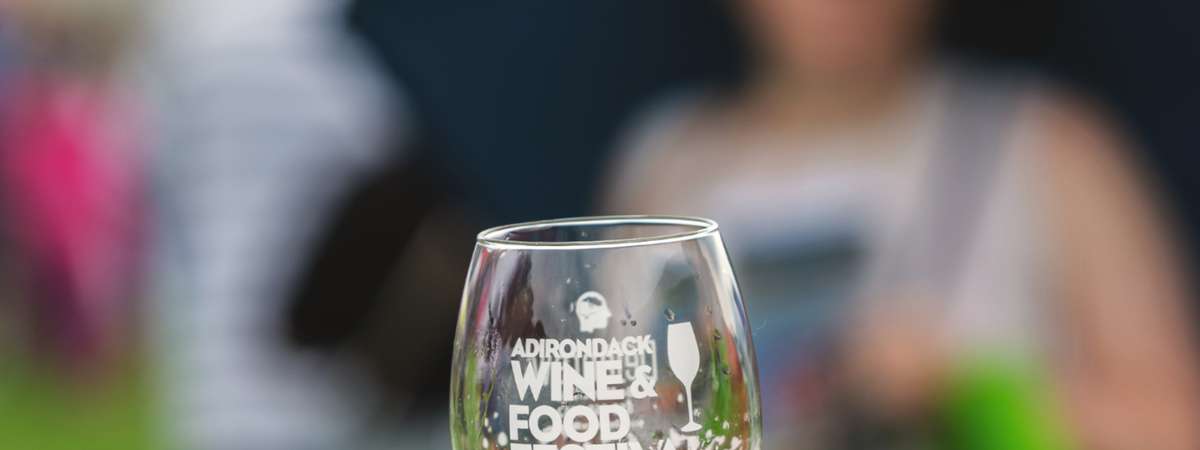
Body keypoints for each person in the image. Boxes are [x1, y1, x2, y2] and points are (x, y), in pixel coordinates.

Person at [604, 0, 1199, 448]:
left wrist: (969, 387)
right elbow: (593, 406)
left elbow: (1178, 425)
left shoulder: (1050, 144)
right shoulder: (667, 160)